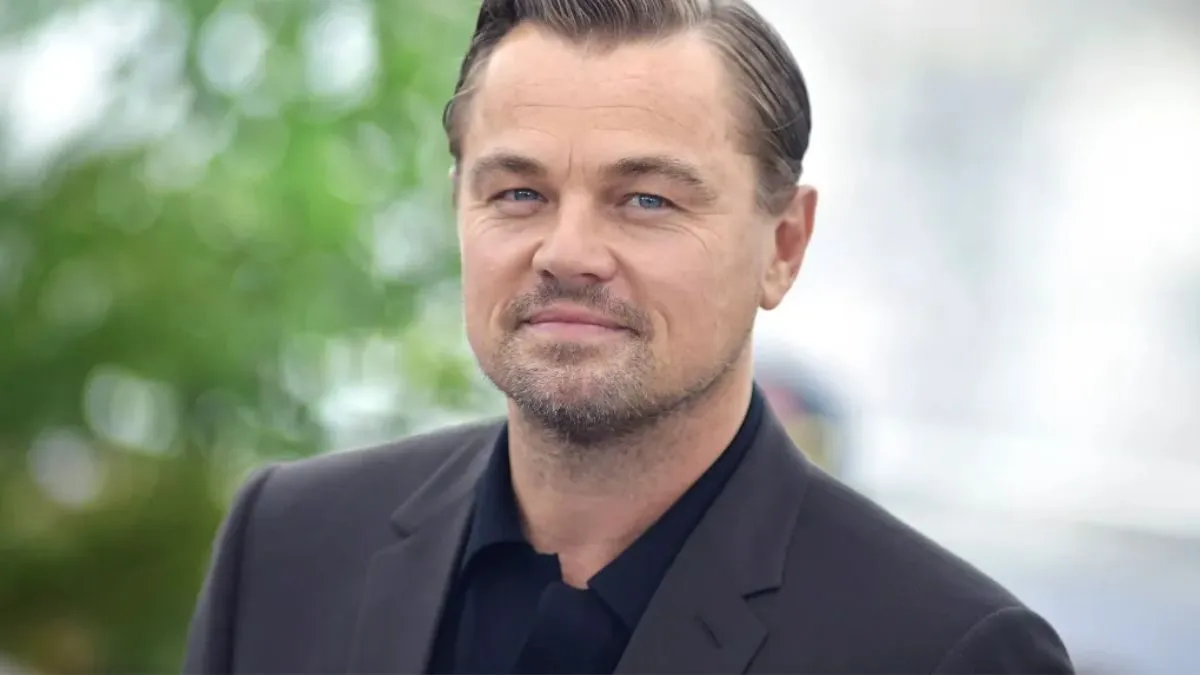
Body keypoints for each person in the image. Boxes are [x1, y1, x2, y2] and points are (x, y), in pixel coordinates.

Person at [183, 0, 1074, 673]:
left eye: (646, 199)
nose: (567, 252)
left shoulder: (945, 650)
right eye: (518, 193)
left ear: (783, 247)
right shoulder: (290, 543)